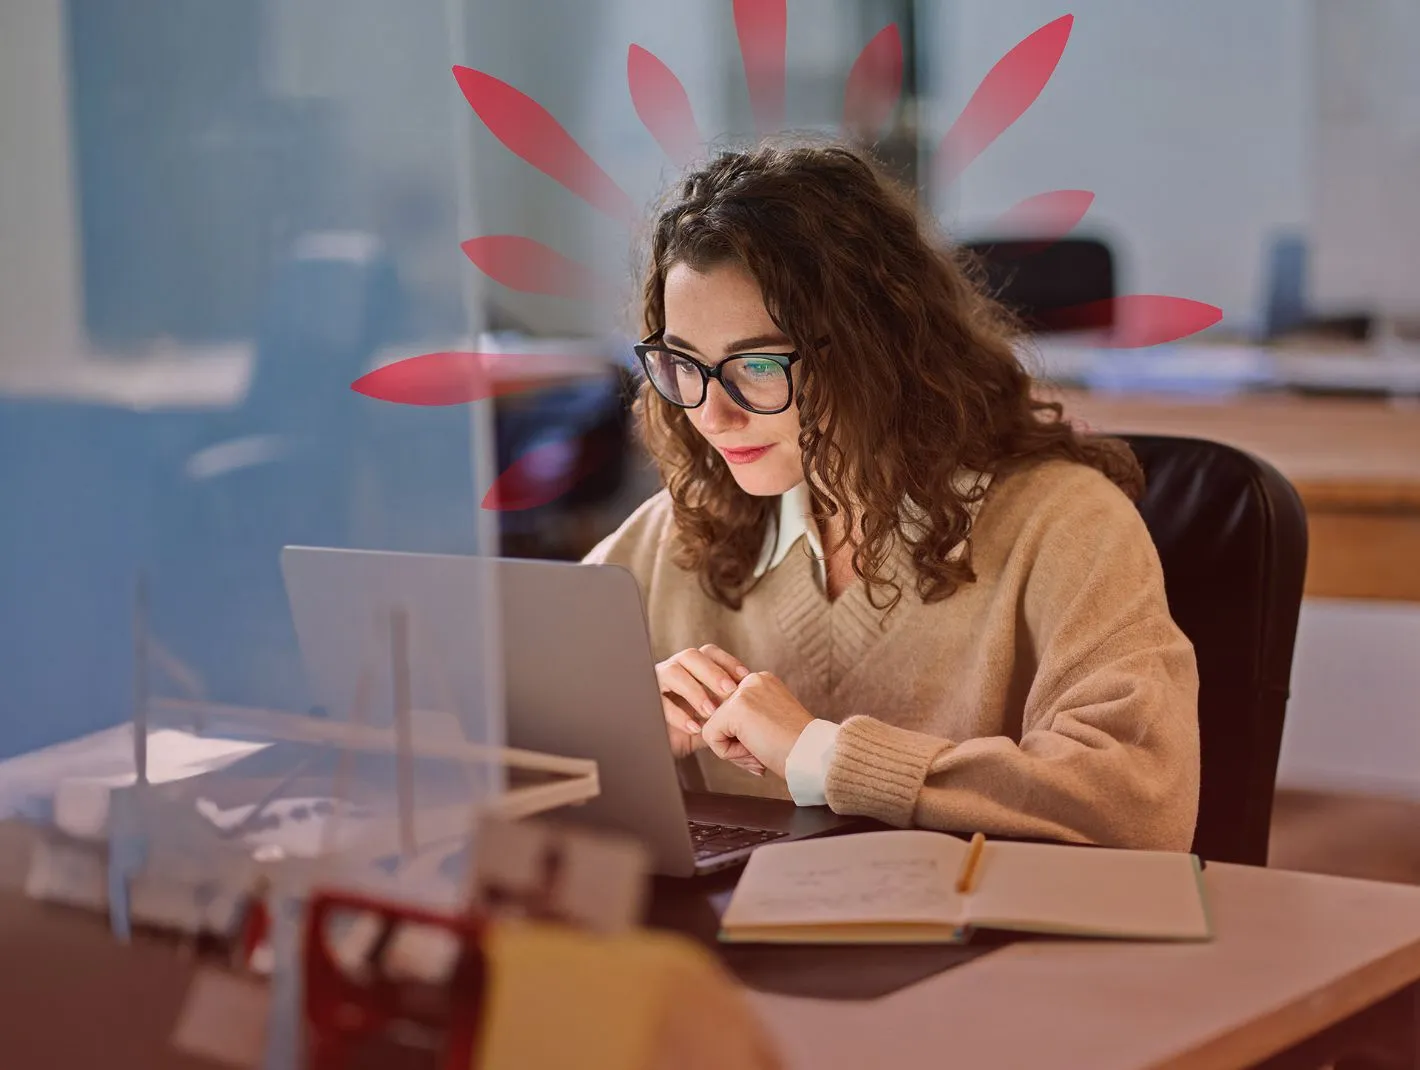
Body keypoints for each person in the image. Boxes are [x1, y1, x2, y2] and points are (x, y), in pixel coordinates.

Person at [584, 141, 1200, 852]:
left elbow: (1139, 806)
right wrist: (616, 735)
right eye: (683, 364)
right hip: (733, 950)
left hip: (985, 953)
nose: (713, 416)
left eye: (755, 365)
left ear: (876, 348)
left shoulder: (1065, 524)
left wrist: (822, 756)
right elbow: (498, 749)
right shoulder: (674, 533)